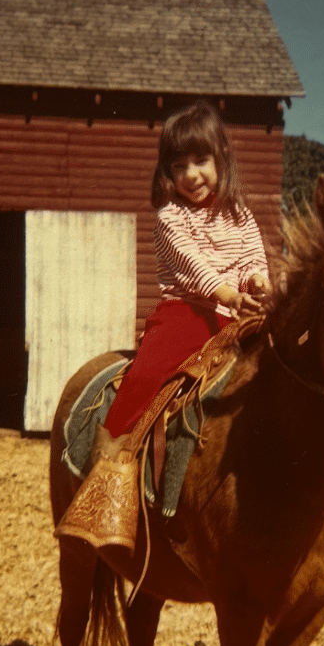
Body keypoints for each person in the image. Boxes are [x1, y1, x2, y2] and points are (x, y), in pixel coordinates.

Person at [102, 99, 271, 440]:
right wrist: (228, 295)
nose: (191, 175)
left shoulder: (240, 214)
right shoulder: (171, 218)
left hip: (236, 316)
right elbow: (192, 266)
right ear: (167, 172)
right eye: (179, 166)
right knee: (148, 374)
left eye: (201, 161)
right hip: (188, 312)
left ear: (220, 157)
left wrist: (258, 280)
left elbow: (253, 257)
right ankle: (114, 449)